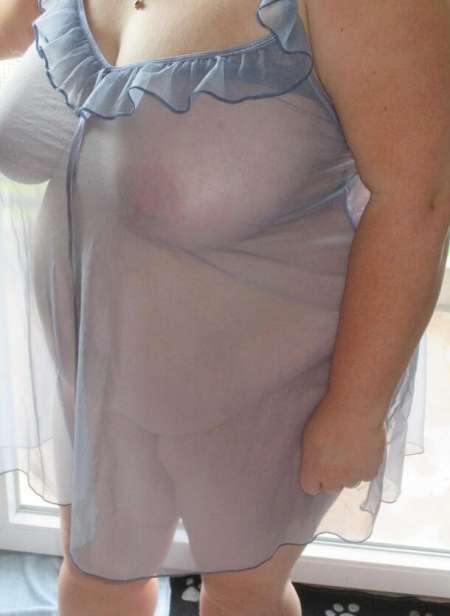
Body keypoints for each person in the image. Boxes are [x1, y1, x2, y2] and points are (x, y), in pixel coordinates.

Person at [0, 0, 449, 614]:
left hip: (262, 386)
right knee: (95, 578)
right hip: (93, 372)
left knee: (242, 595)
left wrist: (356, 410)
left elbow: (416, 199)